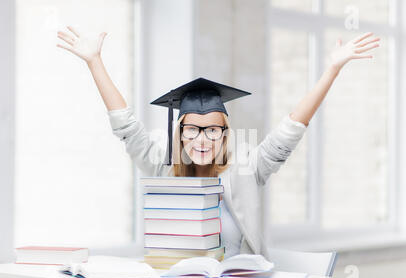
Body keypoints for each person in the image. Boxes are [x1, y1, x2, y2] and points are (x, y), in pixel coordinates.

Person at [56, 26, 380, 259]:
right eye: (192, 130)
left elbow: (291, 128)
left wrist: (331, 71)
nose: (202, 139)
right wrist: (94, 62)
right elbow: (125, 125)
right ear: (180, 132)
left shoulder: (247, 167)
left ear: (225, 133)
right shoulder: (162, 163)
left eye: (213, 130)